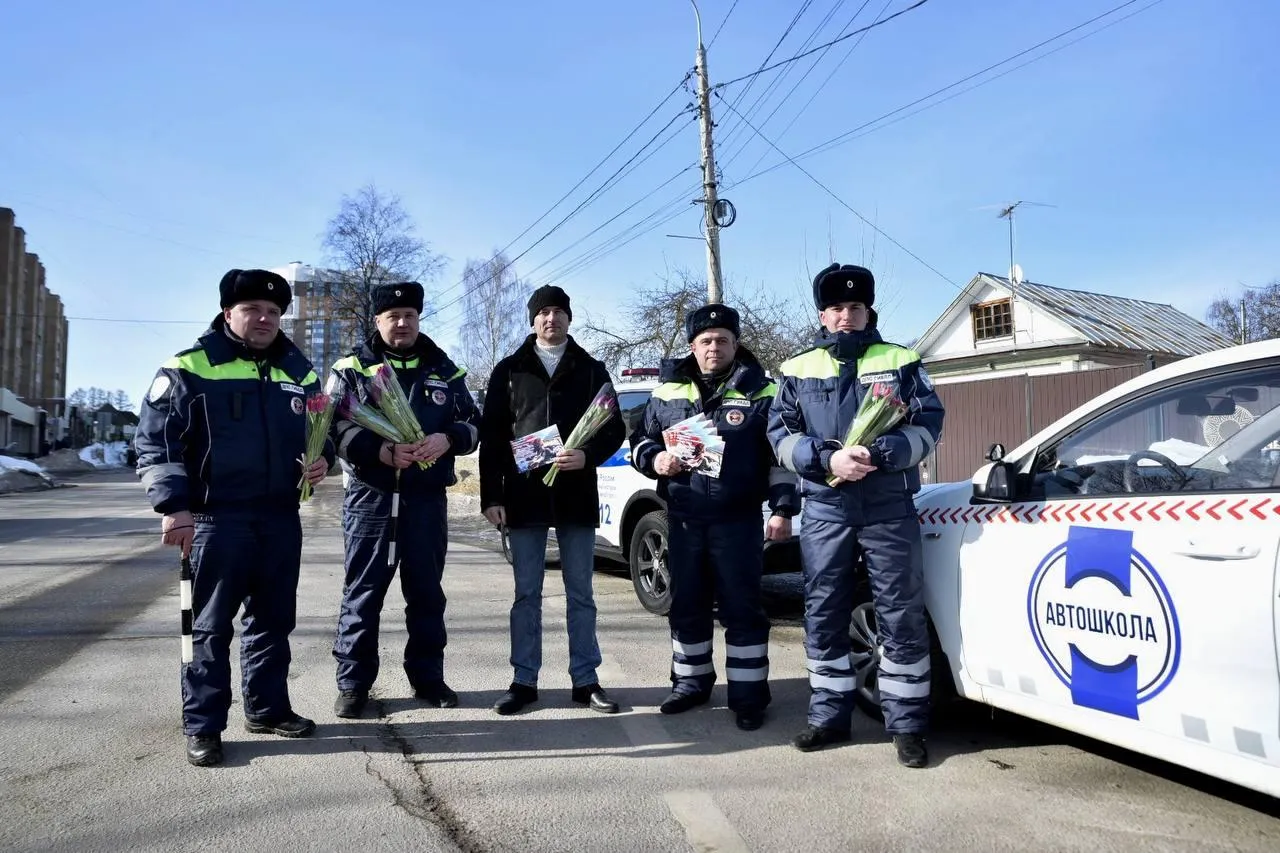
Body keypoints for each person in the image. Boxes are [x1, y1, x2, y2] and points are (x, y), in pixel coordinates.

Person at [135, 268, 332, 767]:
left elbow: (323, 428)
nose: (264, 318)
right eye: (252, 310)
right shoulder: (188, 367)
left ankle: (266, 709)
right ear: (228, 313)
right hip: (214, 520)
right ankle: (203, 725)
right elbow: (156, 442)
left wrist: (324, 456)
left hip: (280, 519)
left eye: (273, 312)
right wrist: (173, 507)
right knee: (210, 627)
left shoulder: (299, 370)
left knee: (272, 622)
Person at [767, 263, 944, 768]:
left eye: (856, 307)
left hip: (888, 504)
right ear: (823, 315)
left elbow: (931, 424)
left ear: (870, 311)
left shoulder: (902, 360)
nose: (847, 316)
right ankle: (828, 717)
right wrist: (827, 460)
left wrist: (885, 452)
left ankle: (907, 725)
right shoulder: (798, 366)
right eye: (837, 309)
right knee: (823, 610)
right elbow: (780, 434)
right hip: (825, 506)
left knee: (900, 612)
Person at [629, 303, 797, 731]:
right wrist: (656, 459)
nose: (714, 347)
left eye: (723, 340)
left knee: (742, 608)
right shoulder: (667, 392)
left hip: (738, 520)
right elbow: (639, 443)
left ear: (735, 344)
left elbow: (779, 457)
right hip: (682, 519)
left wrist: (782, 508)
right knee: (686, 604)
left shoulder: (762, 391)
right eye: (705, 340)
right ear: (692, 345)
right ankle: (690, 683)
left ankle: (748, 696)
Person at [329, 281, 481, 718]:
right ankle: (354, 683)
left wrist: (446, 439)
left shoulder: (444, 369)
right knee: (363, 592)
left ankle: (428, 678)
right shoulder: (352, 367)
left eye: (410, 316)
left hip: (425, 499)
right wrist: (378, 451)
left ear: (419, 319)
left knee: (427, 594)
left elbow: (473, 423)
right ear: (378, 321)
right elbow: (334, 426)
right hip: (371, 499)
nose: (402, 323)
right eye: (393, 317)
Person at [479, 285, 625, 716]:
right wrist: (491, 495)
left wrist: (588, 455)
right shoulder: (509, 370)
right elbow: (491, 438)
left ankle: (586, 680)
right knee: (527, 593)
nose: (551, 319)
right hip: (523, 497)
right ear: (532, 320)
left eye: (559, 312)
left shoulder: (591, 368)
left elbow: (614, 427)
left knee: (581, 592)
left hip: (576, 494)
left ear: (569, 319)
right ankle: (524, 681)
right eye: (543, 312)